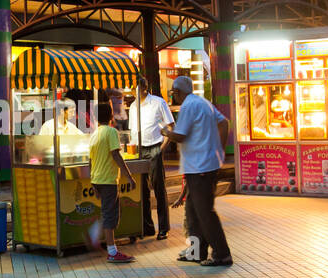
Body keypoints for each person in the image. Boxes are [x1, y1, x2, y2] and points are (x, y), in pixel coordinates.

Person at [161, 75, 232, 267]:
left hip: (200, 168)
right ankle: (196, 252)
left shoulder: (188, 106)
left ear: (177, 92)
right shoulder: (203, 102)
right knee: (193, 212)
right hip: (203, 166)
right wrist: (220, 151)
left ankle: (221, 254)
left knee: (204, 212)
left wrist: (166, 132)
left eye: (173, 92)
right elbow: (224, 123)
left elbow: (180, 136)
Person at [90, 103, 136, 263]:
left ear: (95, 118)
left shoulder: (94, 134)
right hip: (108, 180)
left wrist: (92, 182)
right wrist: (129, 176)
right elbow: (116, 155)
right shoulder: (111, 132)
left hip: (97, 179)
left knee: (108, 212)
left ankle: (99, 237)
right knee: (110, 214)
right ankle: (112, 251)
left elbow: (91, 160)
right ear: (111, 116)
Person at [137, 76, 175, 240]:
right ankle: (147, 226)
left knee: (158, 188)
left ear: (144, 87)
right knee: (142, 190)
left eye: (136, 87)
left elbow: (171, 126)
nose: (134, 91)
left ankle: (163, 227)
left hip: (154, 147)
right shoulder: (133, 106)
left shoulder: (158, 103)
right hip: (139, 149)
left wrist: (161, 149)